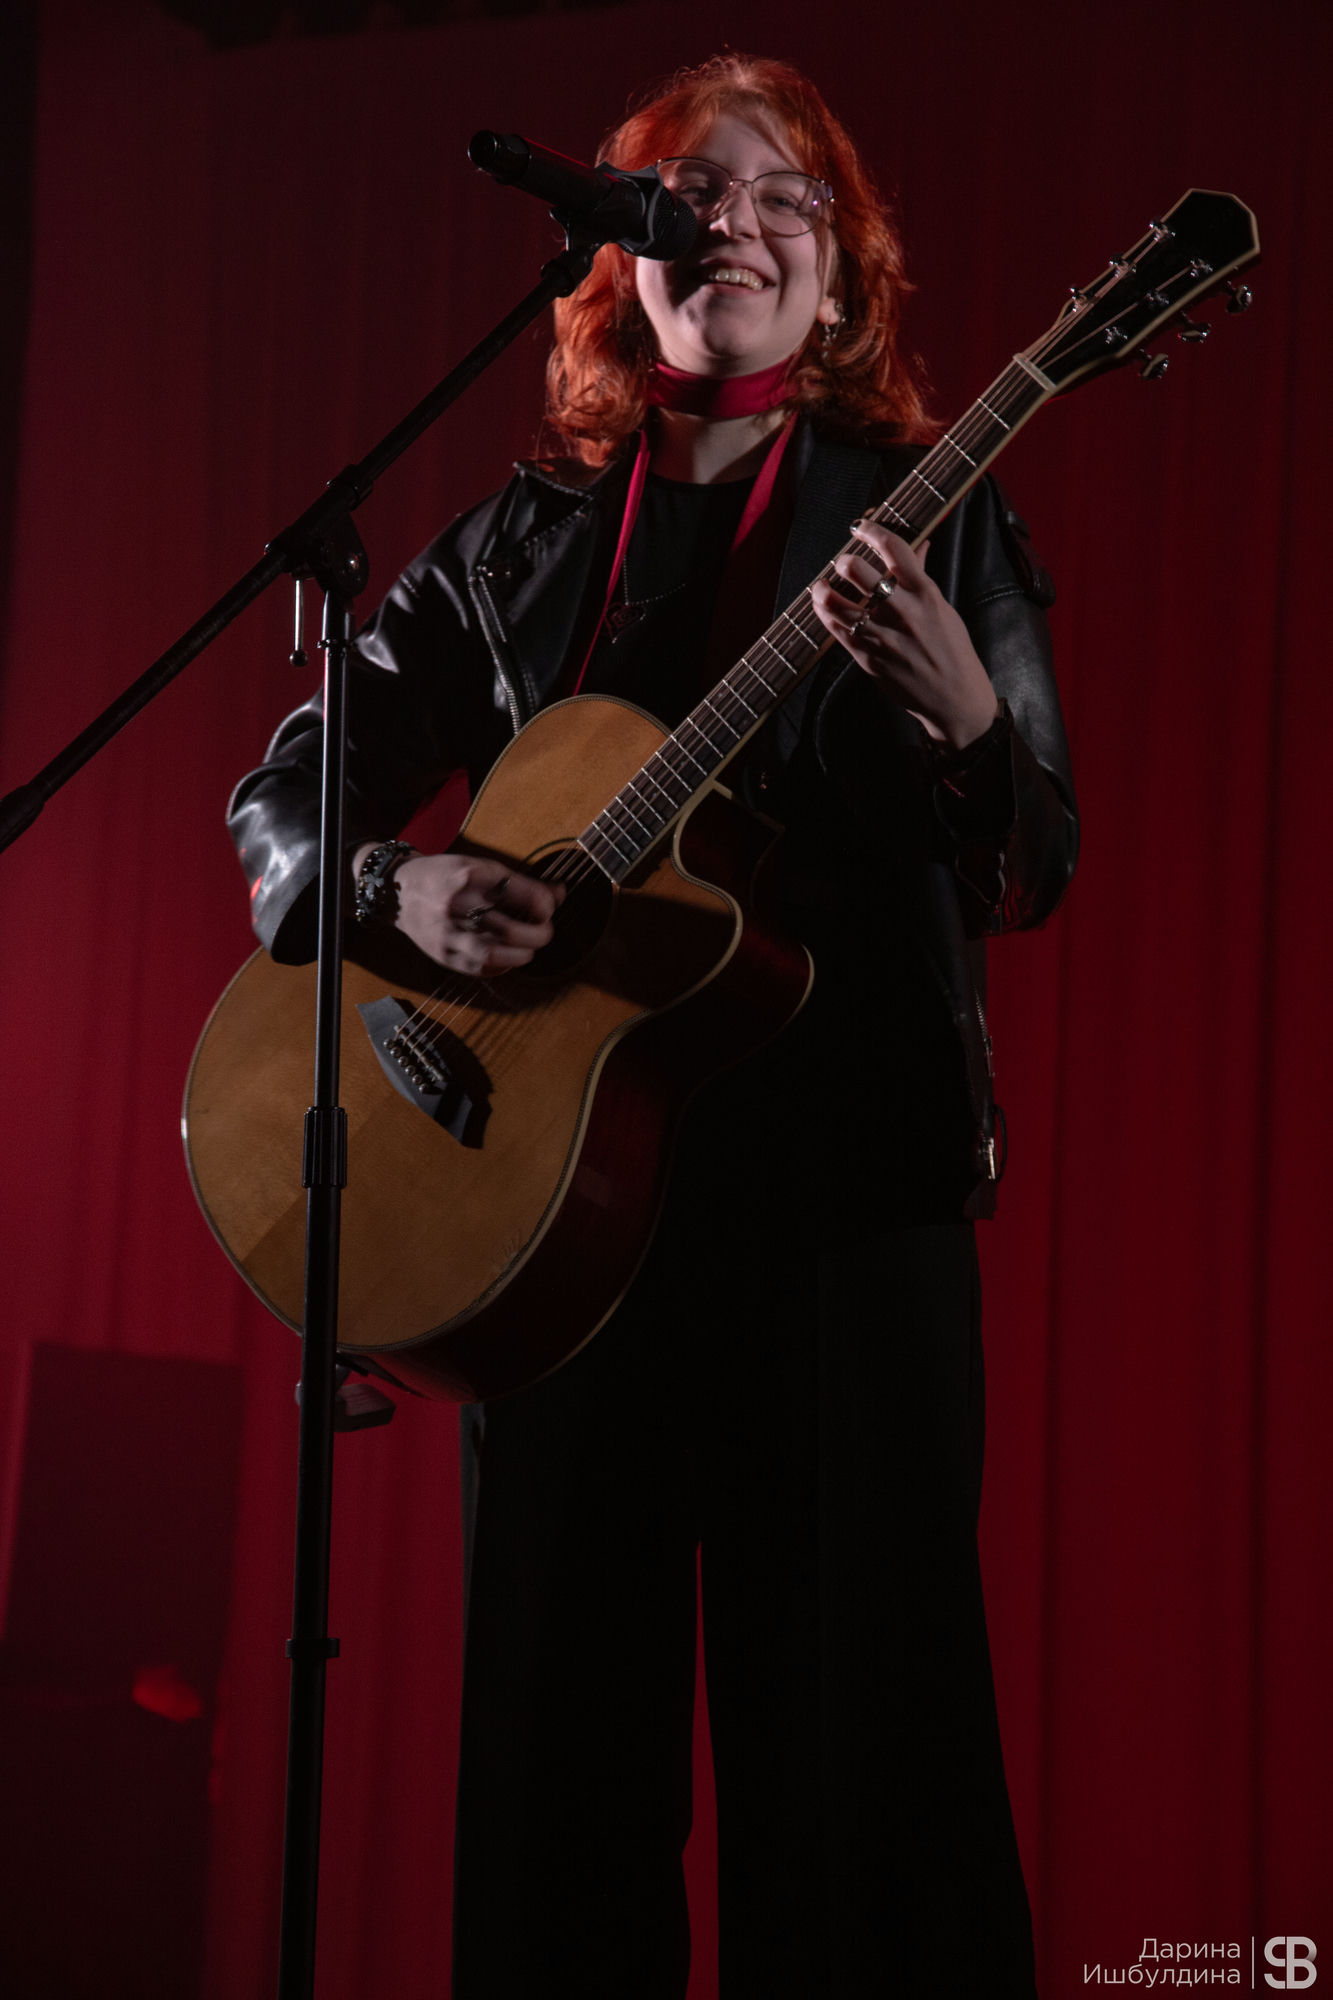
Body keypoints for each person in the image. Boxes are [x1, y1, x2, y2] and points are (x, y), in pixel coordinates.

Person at [229, 54, 1077, 1999]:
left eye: (782, 197)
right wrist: (394, 891)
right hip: (553, 1231)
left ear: (842, 267)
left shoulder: (936, 517)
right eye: (690, 195)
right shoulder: (516, 545)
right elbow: (288, 794)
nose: (735, 227)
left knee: (855, 1790)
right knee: (558, 1793)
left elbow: (1033, 859)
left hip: (837, 1221)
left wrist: (965, 721)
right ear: (619, 257)